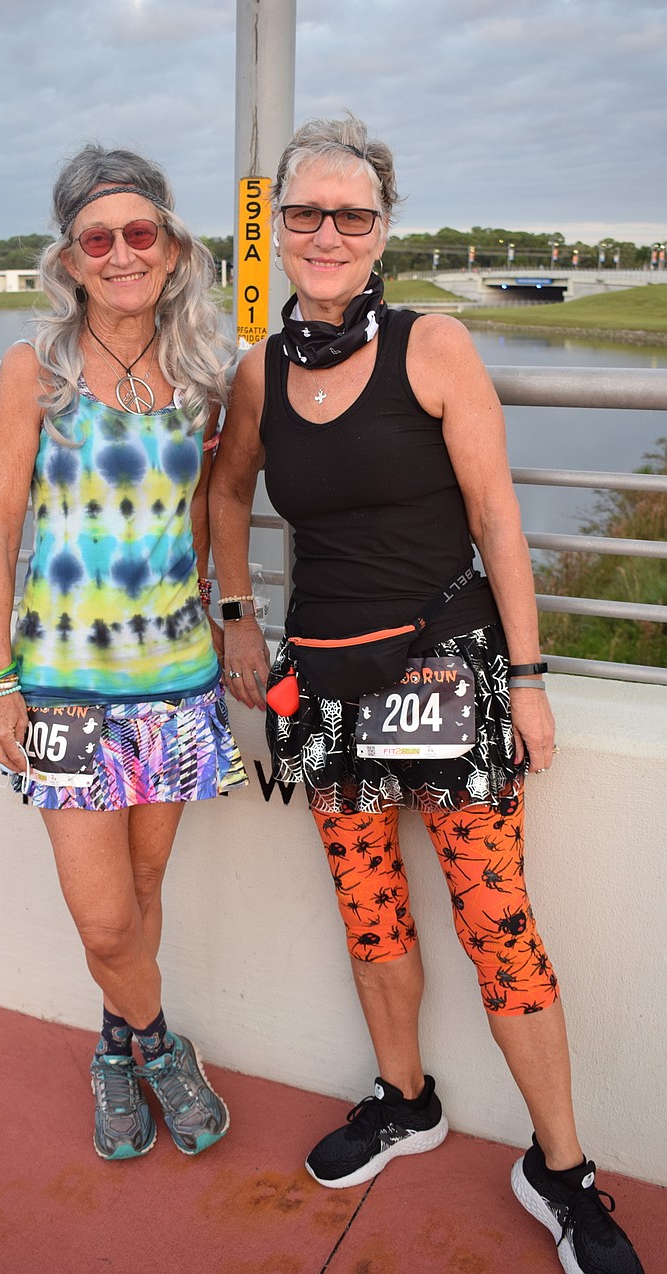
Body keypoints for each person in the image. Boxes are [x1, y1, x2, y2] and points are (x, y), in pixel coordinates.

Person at [209, 114, 644, 1273]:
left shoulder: (432, 345)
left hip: (448, 670)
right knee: (371, 914)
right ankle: (405, 1099)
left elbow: (500, 518)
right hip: (326, 688)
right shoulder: (257, 369)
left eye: (352, 214)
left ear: (383, 227)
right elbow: (225, 493)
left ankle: (560, 1168)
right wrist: (239, 616)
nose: (327, 233)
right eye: (305, 212)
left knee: (499, 925)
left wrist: (534, 678)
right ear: (278, 225)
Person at [0, 143, 246, 1163]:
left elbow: (215, 512)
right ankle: (161, 1047)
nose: (123, 252)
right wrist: (0, 682)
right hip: (63, 690)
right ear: (71, 257)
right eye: (100, 238)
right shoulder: (31, 370)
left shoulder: (206, 375)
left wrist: (233, 621)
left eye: (142, 232)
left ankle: (112, 1044)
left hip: (175, 681)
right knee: (103, 922)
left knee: (142, 890)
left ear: (173, 248)